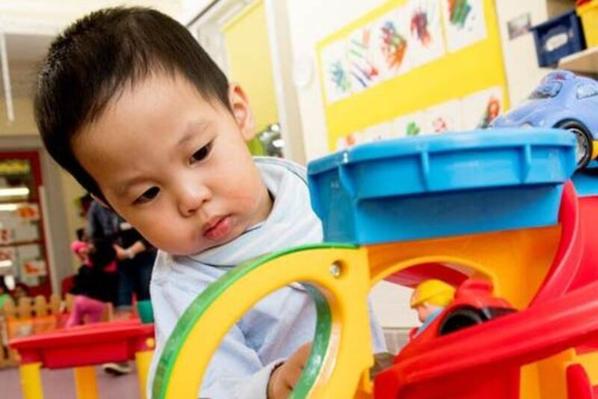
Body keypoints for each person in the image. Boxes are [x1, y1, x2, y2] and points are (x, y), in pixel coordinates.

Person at [34, 7, 386, 398]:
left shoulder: (314, 192)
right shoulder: (184, 286)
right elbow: (197, 387)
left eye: (199, 153)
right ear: (112, 206)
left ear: (237, 113)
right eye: (148, 194)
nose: (191, 198)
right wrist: (270, 386)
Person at [66, 238, 118, 327]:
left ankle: (68, 335)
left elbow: (75, 245)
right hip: (98, 302)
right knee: (93, 326)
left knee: (73, 321)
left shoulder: (88, 267)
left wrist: (85, 254)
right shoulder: (109, 267)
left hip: (82, 300)